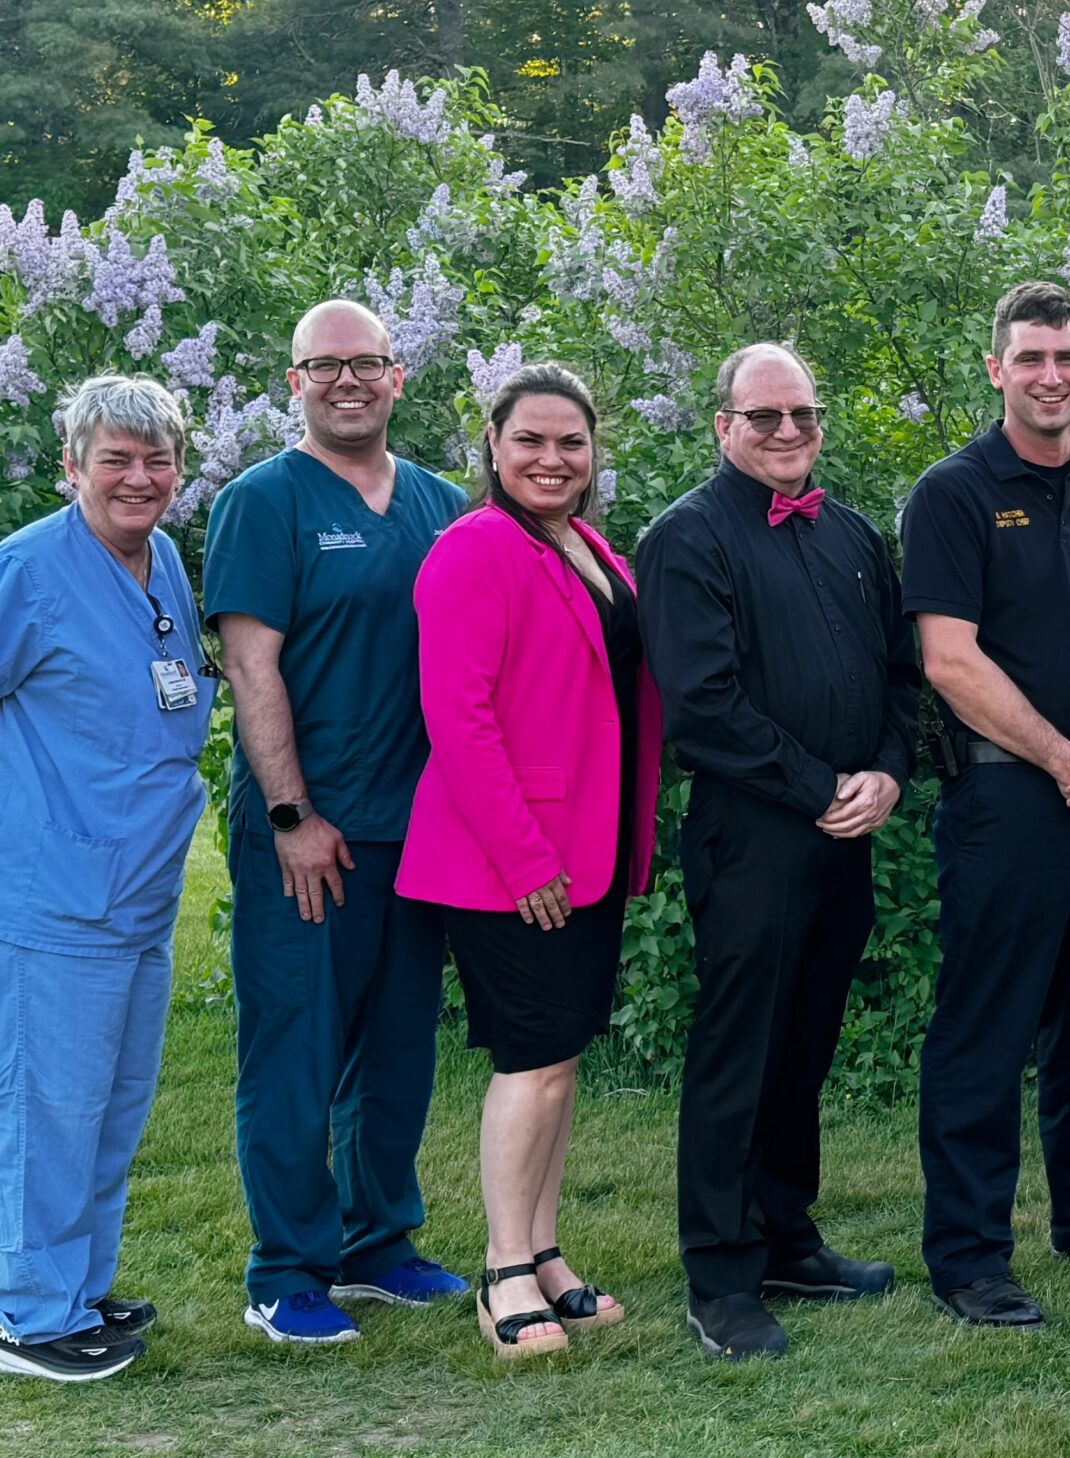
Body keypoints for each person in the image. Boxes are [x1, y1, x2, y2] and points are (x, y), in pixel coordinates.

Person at [0, 376, 216, 1381]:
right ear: (71, 467)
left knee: (110, 1106)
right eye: (115, 459)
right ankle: (28, 1318)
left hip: (134, 896)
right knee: (47, 1108)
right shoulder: (25, 571)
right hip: (49, 894)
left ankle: (77, 1285)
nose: (139, 478)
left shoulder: (160, 556)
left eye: (156, 459)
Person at [636, 343, 918, 1361]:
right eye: (765, 418)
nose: (788, 433)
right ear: (723, 428)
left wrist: (886, 772)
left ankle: (787, 1237)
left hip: (845, 832)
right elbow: (702, 709)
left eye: (802, 414)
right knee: (738, 1055)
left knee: (804, 1043)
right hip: (752, 834)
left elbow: (899, 671)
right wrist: (820, 789)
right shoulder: (686, 539)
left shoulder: (847, 531)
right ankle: (720, 1277)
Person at [205, 299, 470, 1344]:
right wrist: (291, 814)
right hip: (308, 836)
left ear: (400, 377)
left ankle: (376, 1245)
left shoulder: (444, 504)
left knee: (397, 1053)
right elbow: (250, 663)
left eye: (365, 363)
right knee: (296, 1055)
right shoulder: (262, 502)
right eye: (324, 366)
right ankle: (285, 1271)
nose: (346, 380)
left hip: (420, 833)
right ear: (294, 382)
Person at [904, 281, 1070, 1328]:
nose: (1050, 375)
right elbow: (948, 660)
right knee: (986, 1025)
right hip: (1009, 798)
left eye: (1066, 357)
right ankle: (969, 1253)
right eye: (1030, 358)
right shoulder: (955, 493)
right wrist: (1067, 758)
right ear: (996, 370)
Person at [395, 364, 662, 1359]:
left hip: (586, 848)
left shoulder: (586, 546)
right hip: (513, 858)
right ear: (493, 448)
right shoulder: (475, 550)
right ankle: (504, 1270)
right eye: (530, 441)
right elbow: (456, 718)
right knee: (530, 1061)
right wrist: (523, 858)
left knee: (559, 1058)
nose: (552, 460)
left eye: (571, 443)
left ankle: (545, 1252)